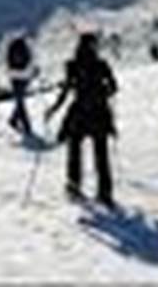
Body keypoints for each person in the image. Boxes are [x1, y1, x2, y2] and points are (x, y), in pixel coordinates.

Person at [45, 33, 117, 206]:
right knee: (101, 154)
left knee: (74, 149)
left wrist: (53, 109)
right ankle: (105, 192)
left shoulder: (73, 65)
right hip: (99, 112)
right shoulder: (102, 65)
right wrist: (102, 94)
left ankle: (74, 185)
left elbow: (66, 91)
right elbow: (114, 87)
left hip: (80, 113)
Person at [6, 35, 37, 135]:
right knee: (20, 101)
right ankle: (26, 126)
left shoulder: (13, 48)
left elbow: (9, 62)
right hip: (22, 77)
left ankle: (13, 120)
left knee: (20, 100)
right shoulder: (24, 48)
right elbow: (29, 61)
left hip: (16, 77)